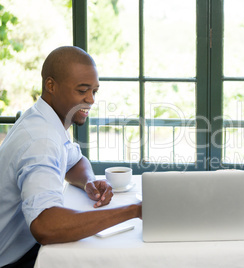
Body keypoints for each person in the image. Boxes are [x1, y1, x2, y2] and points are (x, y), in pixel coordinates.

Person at [0, 46, 142, 268]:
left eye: (94, 91)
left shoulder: (43, 119)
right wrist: (134, 211)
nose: (91, 99)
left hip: (25, 248)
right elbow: (46, 226)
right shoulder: (41, 141)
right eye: (82, 90)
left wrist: (88, 181)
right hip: (14, 260)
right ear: (51, 85)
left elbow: (74, 161)